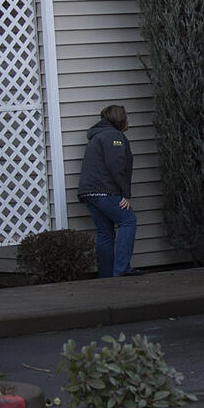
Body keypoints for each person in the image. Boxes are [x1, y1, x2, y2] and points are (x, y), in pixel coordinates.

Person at [78, 104, 139, 278]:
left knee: (105, 232)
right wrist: (125, 194)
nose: (128, 121)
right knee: (128, 221)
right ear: (119, 119)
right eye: (126, 117)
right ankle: (122, 270)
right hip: (104, 191)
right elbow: (116, 166)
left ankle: (105, 277)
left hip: (89, 193)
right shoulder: (114, 136)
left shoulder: (98, 136)